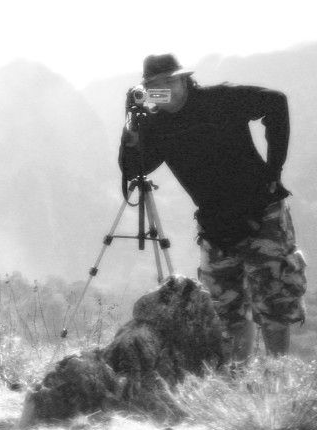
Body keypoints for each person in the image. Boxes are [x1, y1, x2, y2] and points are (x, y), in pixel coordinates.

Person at [119, 53, 307, 361]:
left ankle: (278, 376)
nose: (163, 90)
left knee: (275, 303)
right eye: (154, 86)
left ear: (184, 80)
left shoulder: (219, 100)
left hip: (261, 213)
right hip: (215, 225)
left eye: (169, 82)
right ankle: (237, 376)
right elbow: (133, 168)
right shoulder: (156, 125)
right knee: (226, 311)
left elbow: (276, 102)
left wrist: (274, 170)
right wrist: (132, 127)